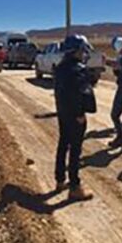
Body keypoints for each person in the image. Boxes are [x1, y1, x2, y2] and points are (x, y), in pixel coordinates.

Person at [53, 34, 95, 201]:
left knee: (63, 144)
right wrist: (79, 114)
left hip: (63, 112)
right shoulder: (78, 69)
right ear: (77, 50)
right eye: (82, 50)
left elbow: (63, 93)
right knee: (75, 149)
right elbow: (78, 94)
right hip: (75, 115)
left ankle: (60, 180)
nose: (83, 53)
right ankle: (75, 187)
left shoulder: (61, 67)